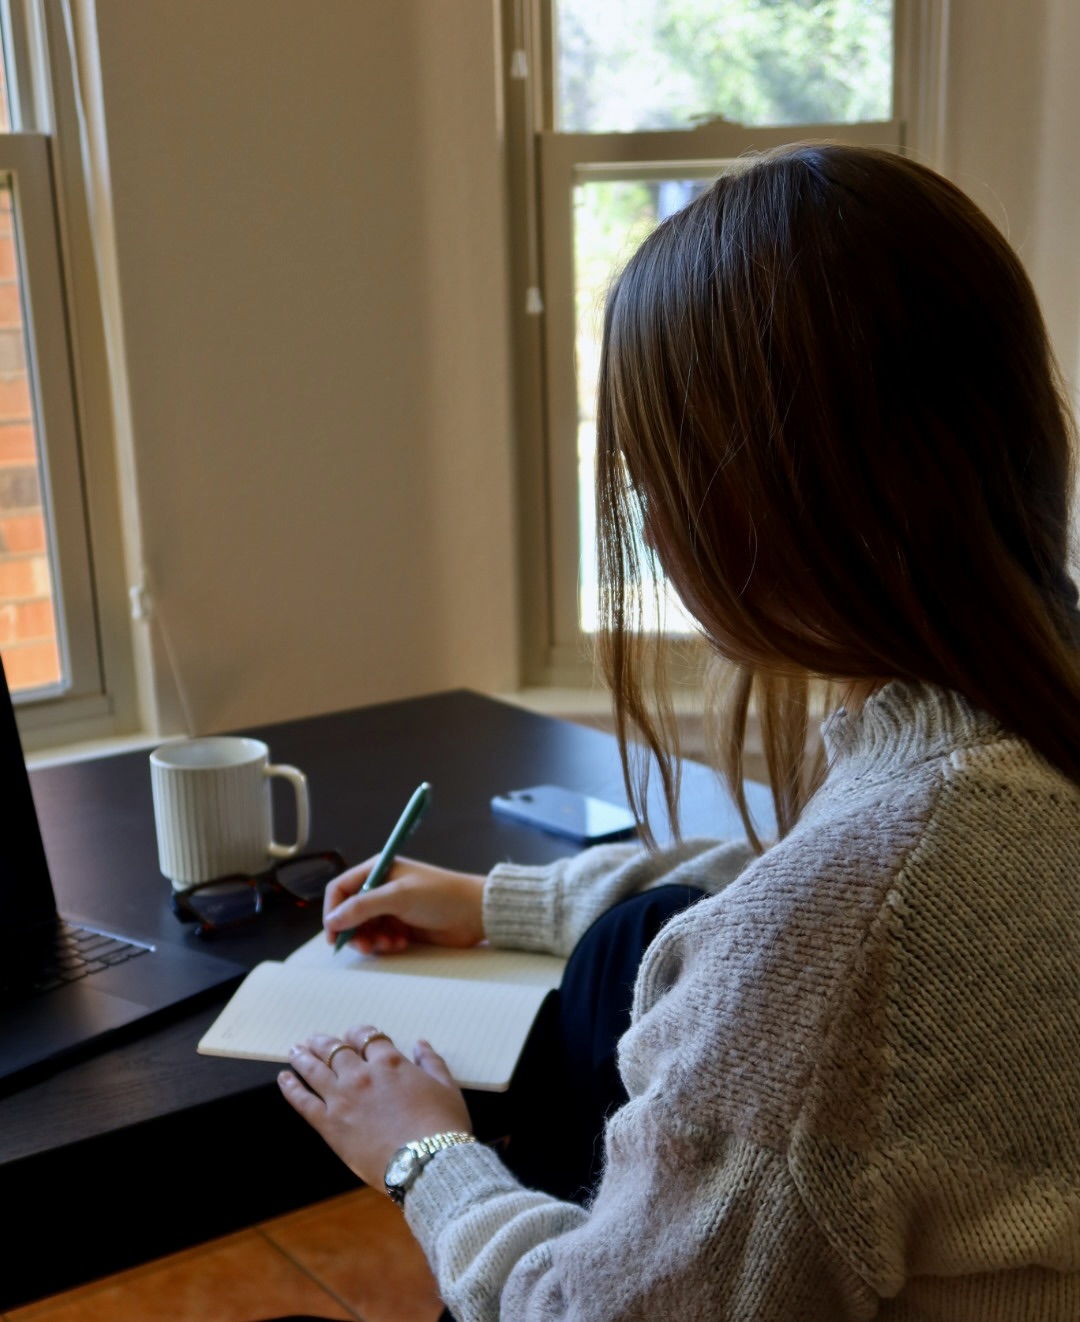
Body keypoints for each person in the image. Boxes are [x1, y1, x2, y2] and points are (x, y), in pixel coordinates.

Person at [273, 143, 1080, 1319]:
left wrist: (423, 1150)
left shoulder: (847, 934)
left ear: (758, 501)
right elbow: (807, 893)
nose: (650, 518)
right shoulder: (1025, 704)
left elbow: (589, 1313)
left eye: (654, 483)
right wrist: (507, 902)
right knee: (633, 936)